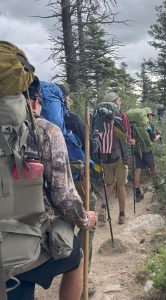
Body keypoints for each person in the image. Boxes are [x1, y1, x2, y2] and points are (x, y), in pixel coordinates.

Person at [6, 76, 97, 300]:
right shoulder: (46, 131)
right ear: (36, 100)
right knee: (75, 257)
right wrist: (85, 219)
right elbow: (63, 196)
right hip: (24, 242)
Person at [59, 84, 98, 296]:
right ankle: (82, 278)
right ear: (65, 99)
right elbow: (86, 145)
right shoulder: (72, 118)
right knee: (88, 223)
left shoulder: (36, 120)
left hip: (52, 184)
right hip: (77, 180)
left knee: (62, 225)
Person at [97, 92, 129, 225]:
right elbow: (126, 135)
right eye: (119, 100)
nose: (120, 102)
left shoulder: (98, 117)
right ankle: (121, 215)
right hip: (119, 155)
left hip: (105, 157)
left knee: (109, 184)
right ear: (114, 102)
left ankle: (103, 209)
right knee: (121, 185)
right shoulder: (121, 115)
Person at [133, 107, 160, 201]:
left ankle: (137, 192)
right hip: (147, 150)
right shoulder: (149, 124)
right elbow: (154, 139)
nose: (152, 117)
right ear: (148, 115)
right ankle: (157, 188)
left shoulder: (134, 125)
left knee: (138, 170)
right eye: (151, 115)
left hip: (137, 150)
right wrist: (158, 135)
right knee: (152, 167)